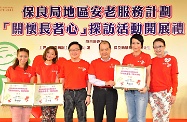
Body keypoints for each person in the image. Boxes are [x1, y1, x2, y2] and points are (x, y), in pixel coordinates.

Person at [88, 40, 120, 122]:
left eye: (106, 49)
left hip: (111, 92)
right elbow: (91, 80)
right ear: (99, 51)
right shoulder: (94, 63)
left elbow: (120, 78)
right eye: (102, 50)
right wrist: (105, 83)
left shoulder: (116, 63)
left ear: (110, 50)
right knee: (98, 118)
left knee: (111, 118)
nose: (104, 52)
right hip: (98, 92)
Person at [59, 41, 91, 122]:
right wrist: (61, 94)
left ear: (80, 51)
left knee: (82, 116)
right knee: (67, 116)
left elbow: (88, 81)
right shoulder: (65, 64)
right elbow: (62, 79)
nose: (74, 52)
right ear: (69, 52)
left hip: (81, 93)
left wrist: (88, 95)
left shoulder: (86, 64)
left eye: (76, 49)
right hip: (68, 93)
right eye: (71, 50)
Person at [122, 34, 151, 122]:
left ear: (141, 44)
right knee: (131, 117)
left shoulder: (146, 57)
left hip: (141, 90)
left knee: (140, 118)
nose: (135, 46)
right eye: (133, 43)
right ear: (130, 44)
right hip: (129, 91)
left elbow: (149, 74)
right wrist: (124, 84)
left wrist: (147, 87)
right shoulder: (126, 58)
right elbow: (123, 74)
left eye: (138, 43)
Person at [149, 38, 178, 122]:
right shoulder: (151, 61)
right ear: (153, 49)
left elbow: (174, 77)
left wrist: (174, 93)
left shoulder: (172, 59)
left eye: (160, 46)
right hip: (153, 93)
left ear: (164, 47)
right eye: (155, 47)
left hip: (166, 93)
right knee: (156, 118)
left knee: (164, 118)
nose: (158, 49)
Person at [5, 48, 35, 122]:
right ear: (17, 57)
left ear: (28, 57)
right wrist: (5, 98)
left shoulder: (31, 69)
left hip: (27, 99)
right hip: (15, 99)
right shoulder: (11, 69)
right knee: (16, 119)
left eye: (25, 56)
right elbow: (8, 86)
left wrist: (29, 99)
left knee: (25, 120)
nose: (23, 58)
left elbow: (31, 86)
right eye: (21, 56)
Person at [36, 46, 60, 122]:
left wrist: (57, 95)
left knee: (52, 116)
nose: (49, 55)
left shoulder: (57, 67)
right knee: (46, 116)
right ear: (45, 53)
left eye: (52, 54)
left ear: (55, 56)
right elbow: (39, 81)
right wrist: (39, 95)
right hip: (43, 94)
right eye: (48, 52)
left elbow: (57, 82)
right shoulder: (39, 66)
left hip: (53, 94)